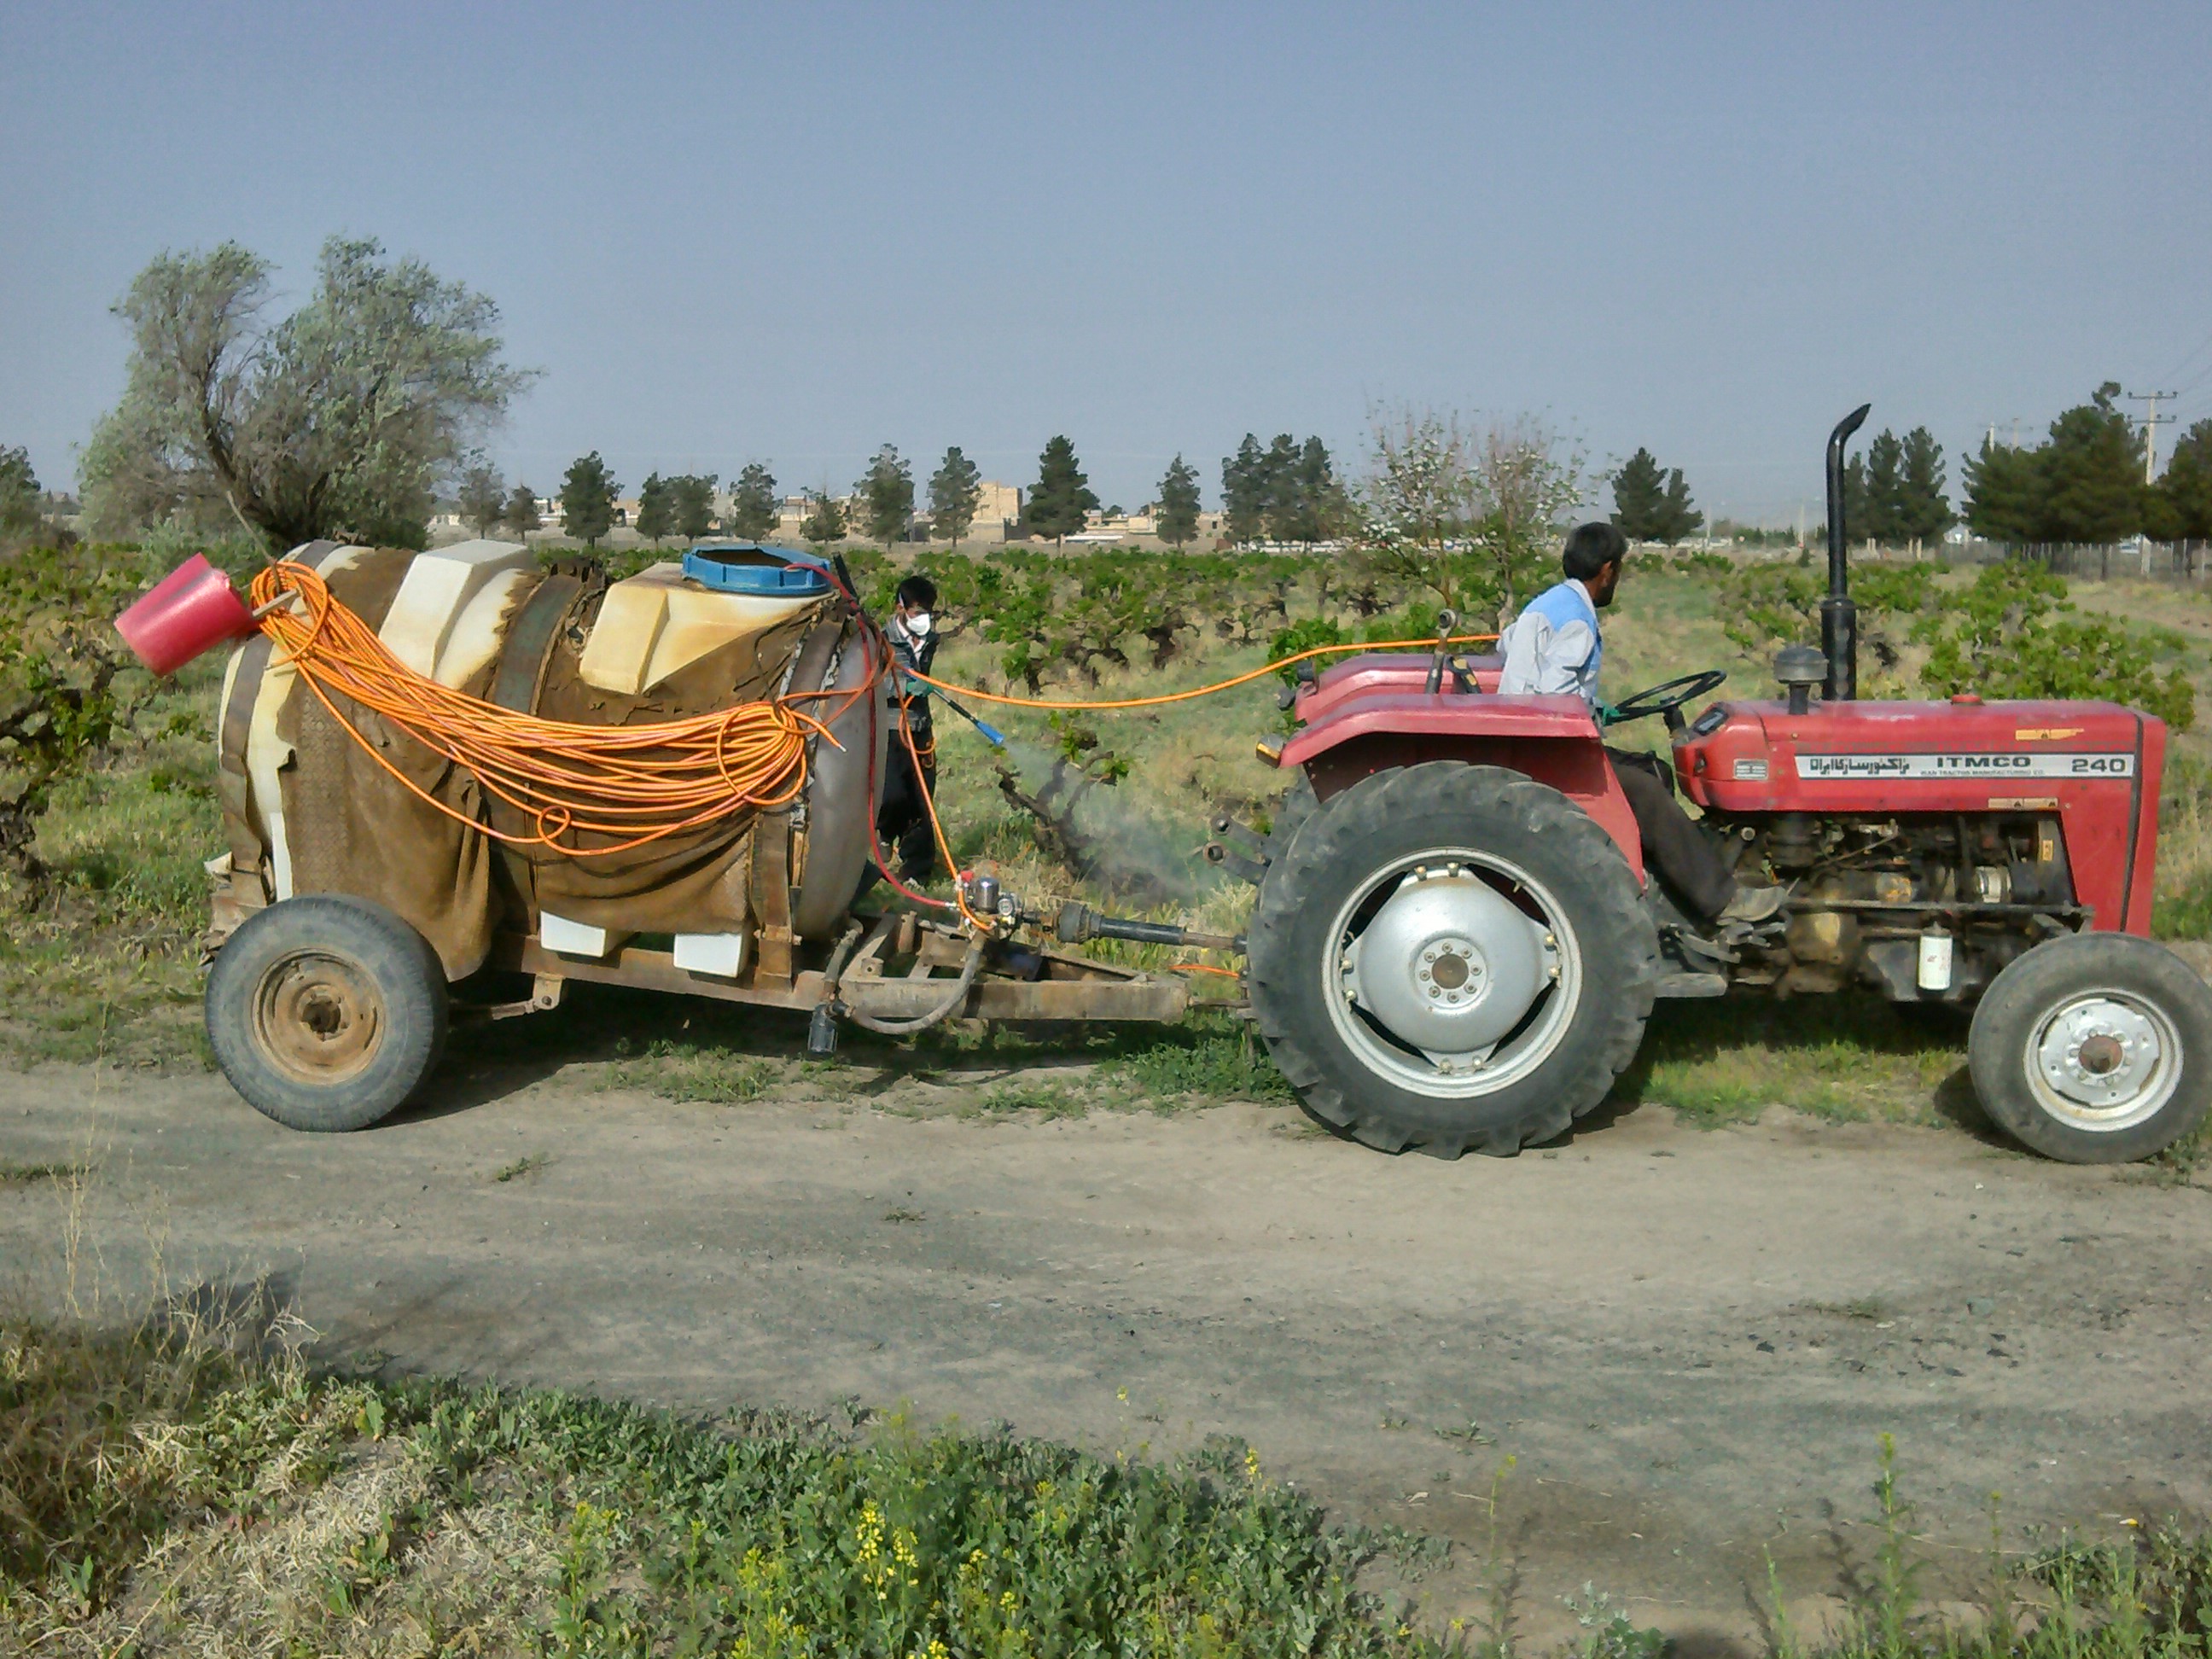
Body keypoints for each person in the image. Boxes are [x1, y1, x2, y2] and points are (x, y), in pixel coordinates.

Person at [1496, 523, 1784, 929]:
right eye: (1619, 570)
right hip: (1549, 749)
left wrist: (1598, 708)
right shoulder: (1578, 620)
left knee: (1654, 770)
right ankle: (1721, 899)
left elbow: (1507, 647)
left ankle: (1667, 890)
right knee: (1647, 792)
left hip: (1529, 736)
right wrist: (1588, 714)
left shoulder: (1546, 603)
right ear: (1608, 570)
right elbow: (1556, 696)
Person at [866, 574, 941, 893]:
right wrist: (901, 688)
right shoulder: (880, 640)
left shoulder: (931, 639)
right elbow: (869, 682)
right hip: (891, 729)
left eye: (929, 612)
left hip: (921, 729)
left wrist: (925, 687)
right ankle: (884, 834)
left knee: (922, 803)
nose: (924, 619)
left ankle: (917, 870)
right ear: (901, 607)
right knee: (893, 796)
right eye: (917, 612)